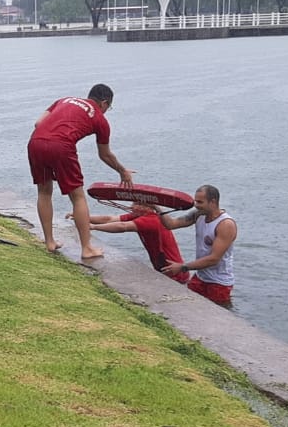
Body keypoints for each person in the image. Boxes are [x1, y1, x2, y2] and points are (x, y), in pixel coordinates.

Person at [27, 84, 134, 260]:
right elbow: (105, 155)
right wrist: (122, 171)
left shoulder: (63, 100)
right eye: (109, 107)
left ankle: (50, 242)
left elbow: (38, 123)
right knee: (77, 196)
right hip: (61, 146)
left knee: (44, 192)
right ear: (104, 103)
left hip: (36, 142)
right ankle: (87, 248)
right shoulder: (100, 119)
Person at [158, 185, 237, 306]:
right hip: (200, 277)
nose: (196, 205)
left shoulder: (225, 224)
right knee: (190, 306)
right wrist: (156, 207)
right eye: (195, 201)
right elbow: (171, 224)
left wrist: (183, 267)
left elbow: (214, 259)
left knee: (217, 316)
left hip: (219, 282)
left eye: (200, 202)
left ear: (213, 202)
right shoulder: (198, 215)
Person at [85, 203, 192, 285]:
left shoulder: (151, 220)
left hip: (174, 272)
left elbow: (122, 226)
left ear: (147, 207)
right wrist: (83, 217)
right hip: (164, 268)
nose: (132, 206)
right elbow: (109, 219)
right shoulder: (138, 215)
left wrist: (94, 227)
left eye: (136, 204)